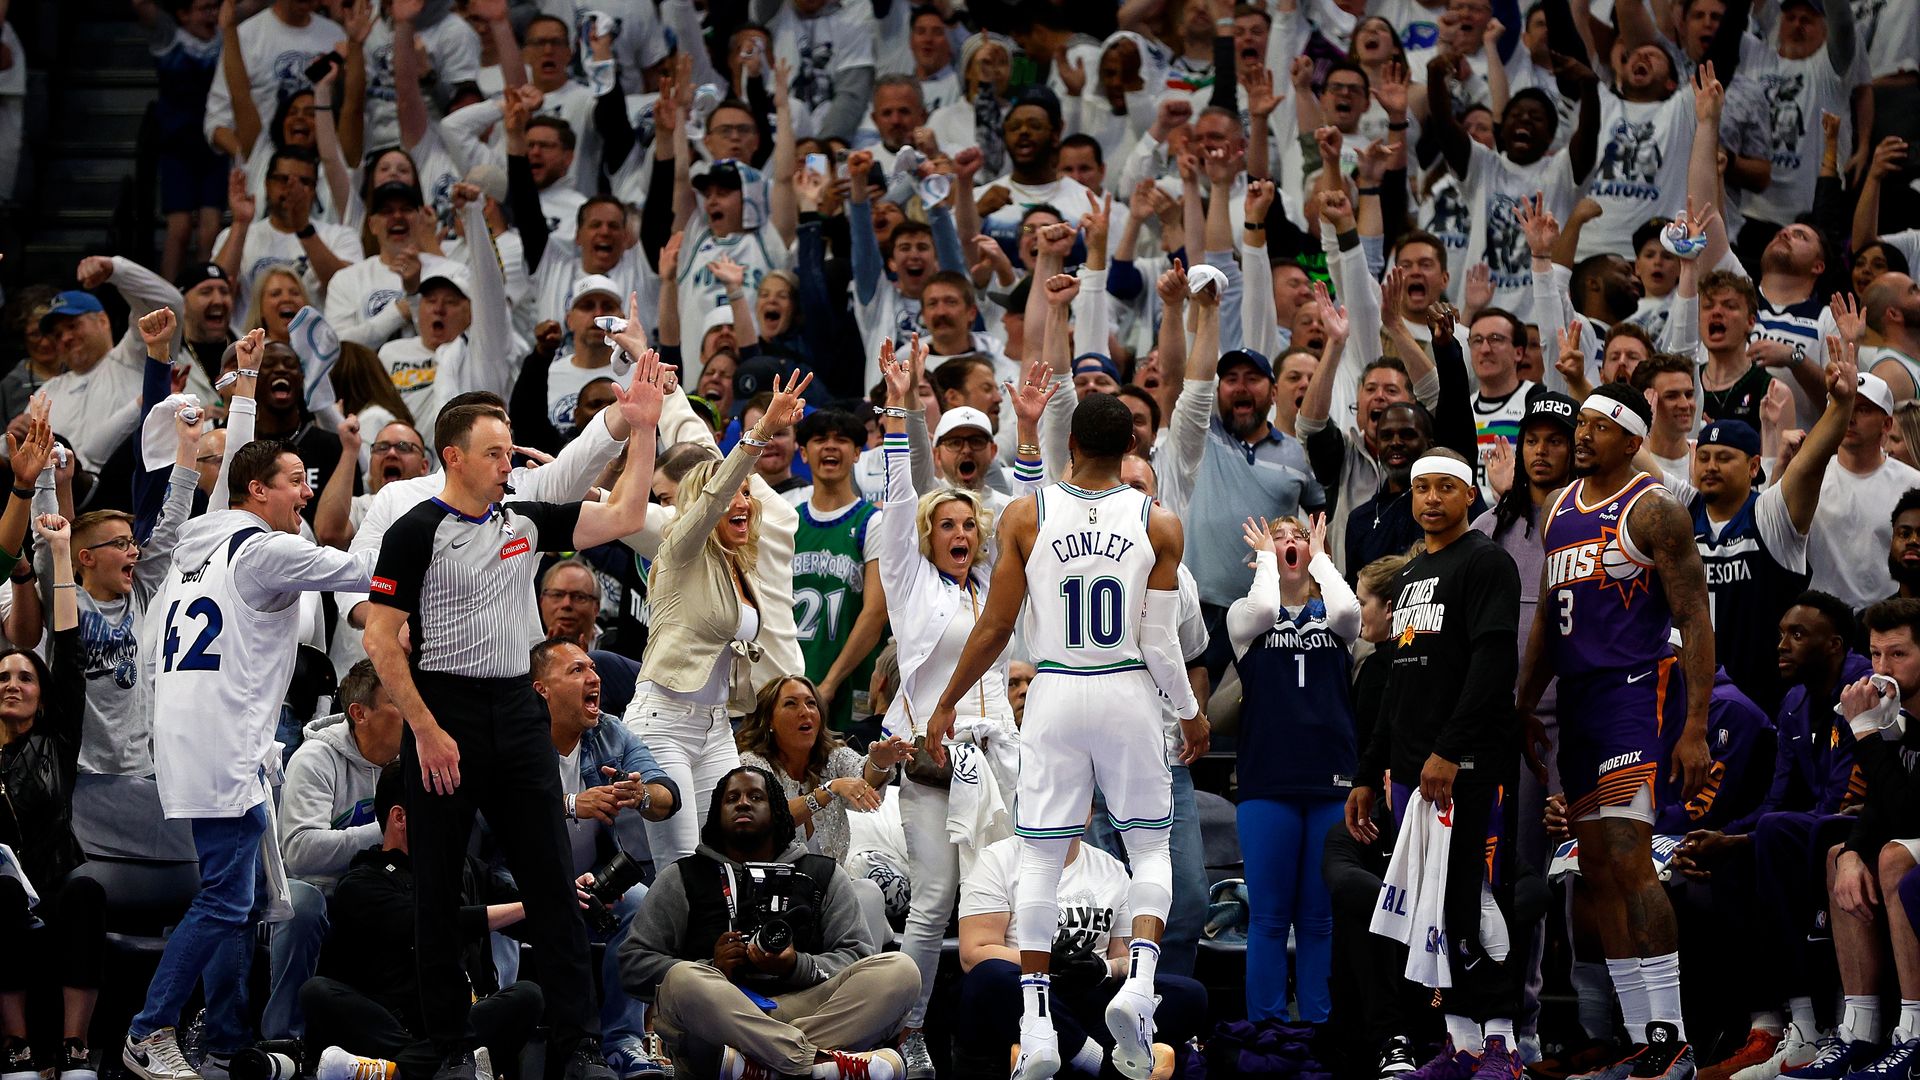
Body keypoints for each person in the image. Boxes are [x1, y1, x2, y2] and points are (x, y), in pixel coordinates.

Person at [361, 352, 665, 1080]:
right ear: (454, 456)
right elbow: (379, 638)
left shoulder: (524, 517)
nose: (509, 464)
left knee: (553, 882)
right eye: (495, 453)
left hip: (518, 708)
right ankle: (446, 1045)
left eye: (509, 451)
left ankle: (577, 1045)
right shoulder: (414, 529)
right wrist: (426, 730)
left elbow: (626, 515)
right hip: (444, 712)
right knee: (438, 887)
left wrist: (644, 429)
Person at [924, 387, 1201, 1080]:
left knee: (1042, 859)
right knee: (1149, 847)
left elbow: (995, 626)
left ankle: (1038, 1024)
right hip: (1127, 688)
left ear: (1070, 444)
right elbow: (1162, 643)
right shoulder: (1160, 522)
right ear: (1131, 446)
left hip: (1053, 689)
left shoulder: (1026, 513)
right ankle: (1138, 988)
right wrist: (1190, 710)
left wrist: (946, 701)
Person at [124, 425, 387, 1080]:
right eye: (295, 481)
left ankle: (225, 1040)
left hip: (195, 738)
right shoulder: (264, 551)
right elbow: (365, 571)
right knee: (224, 899)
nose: (306, 492)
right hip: (224, 745)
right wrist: (429, 521)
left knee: (244, 903)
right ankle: (149, 1031)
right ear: (256, 490)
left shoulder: (200, 547)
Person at [1517, 383, 1715, 1080]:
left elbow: (1693, 616)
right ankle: (1638, 1037)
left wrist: (1696, 724)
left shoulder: (1655, 509)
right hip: (1577, 700)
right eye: (1581, 424)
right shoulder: (1557, 508)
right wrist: (1523, 702)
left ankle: (1673, 1038)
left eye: (1598, 426)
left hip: (1634, 692)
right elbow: (1547, 618)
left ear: (1632, 440)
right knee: (1594, 870)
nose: (1581, 435)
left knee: (1632, 860)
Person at [871, 336, 1026, 1077]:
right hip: (932, 765)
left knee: (1002, 906)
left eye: (969, 525)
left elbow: (1031, 517)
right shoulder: (909, 584)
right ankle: (907, 1034)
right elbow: (901, 498)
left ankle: (1004, 1040)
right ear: (927, 536)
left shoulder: (988, 588)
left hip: (996, 765)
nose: (960, 533)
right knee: (933, 901)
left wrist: (1031, 432)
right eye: (947, 525)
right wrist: (902, 408)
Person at [1346, 446, 1526, 1080]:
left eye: (1446, 487)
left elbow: (1493, 665)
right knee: (1435, 906)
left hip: (1466, 764)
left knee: (1479, 898)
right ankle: (1463, 1042)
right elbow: (1399, 680)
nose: (1431, 499)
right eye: (1422, 489)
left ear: (1469, 495)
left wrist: (1450, 750)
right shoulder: (1411, 575)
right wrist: (1369, 771)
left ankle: (1504, 1043)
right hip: (1412, 773)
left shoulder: (1487, 562)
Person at [618, 367, 810, 865]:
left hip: (716, 723)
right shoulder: (680, 549)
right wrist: (762, 430)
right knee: (683, 865)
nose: (742, 502)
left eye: (748, 494)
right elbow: (713, 494)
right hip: (663, 719)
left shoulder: (740, 564)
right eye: (733, 495)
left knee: (733, 854)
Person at [615, 765, 918, 1079]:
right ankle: (814, 1063)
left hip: (808, 1008)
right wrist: (713, 966)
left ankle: (762, 1066)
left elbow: (856, 956)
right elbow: (634, 964)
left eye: (755, 797)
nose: (743, 803)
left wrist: (796, 965)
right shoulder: (682, 876)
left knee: (900, 970)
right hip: (720, 1014)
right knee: (682, 979)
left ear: (777, 811)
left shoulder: (824, 874)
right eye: (732, 798)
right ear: (717, 813)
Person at [299, 766, 545, 1080]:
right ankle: (446, 1062)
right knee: (316, 992)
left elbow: (529, 918)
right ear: (400, 817)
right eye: (443, 810)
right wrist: (533, 905)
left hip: (465, 1017)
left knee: (528, 995)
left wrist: (569, 898)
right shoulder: (361, 883)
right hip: (394, 1023)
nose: (455, 822)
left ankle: (396, 1072)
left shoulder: (467, 868)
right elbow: (433, 927)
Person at [1227, 513, 1359, 1027]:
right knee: (1268, 917)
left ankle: (1318, 1029)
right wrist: (1267, 561)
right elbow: (1264, 608)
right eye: (1276, 537)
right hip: (1268, 783)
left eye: (1298, 537)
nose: (1288, 543)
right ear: (1261, 555)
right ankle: (1267, 1032)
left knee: (1319, 919)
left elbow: (1348, 610)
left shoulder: (1336, 616)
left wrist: (1322, 559)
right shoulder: (1244, 615)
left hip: (1330, 780)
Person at [532, 638, 679, 1080]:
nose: (593, 677)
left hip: (595, 880)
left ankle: (621, 1042)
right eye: (576, 670)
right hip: (520, 882)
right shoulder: (516, 734)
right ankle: (496, 1032)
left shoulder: (610, 732)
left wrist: (642, 794)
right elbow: (494, 810)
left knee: (644, 905)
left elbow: (666, 794)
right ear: (542, 689)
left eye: (592, 669)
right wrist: (571, 804)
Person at [954, 828, 1207, 1079]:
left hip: (1090, 992)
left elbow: (1126, 960)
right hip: (1027, 992)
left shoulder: (1112, 869)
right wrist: (1044, 962)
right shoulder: (997, 859)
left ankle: (1058, 1059)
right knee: (988, 977)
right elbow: (974, 953)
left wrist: (1103, 969)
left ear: (1090, 813)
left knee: (1189, 994)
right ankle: (1101, 1064)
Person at [272, 660, 405, 1042]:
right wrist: (384, 831)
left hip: (381, 890)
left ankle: (407, 1037)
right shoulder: (314, 759)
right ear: (360, 713)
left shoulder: (412, 760)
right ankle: (284, 1039)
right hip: (321, 888)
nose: (413, 710)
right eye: (398, 701)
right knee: (302, 905)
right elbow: (299, 852)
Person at [788, 409, 891, 742]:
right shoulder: (787, 522)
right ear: (804, 452)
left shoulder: (872, 523)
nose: (830, 447)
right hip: (791, 680)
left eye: (842, 440)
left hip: (848, 686)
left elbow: (875, 613)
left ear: (858, 453)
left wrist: (829, 685)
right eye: (820, 440)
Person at [735, 674, 912, 865]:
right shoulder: (752, 764)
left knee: (869, 884)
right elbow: (766, 821)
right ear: (769, 720)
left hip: (831, 880)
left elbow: (862, 782)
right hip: (772, 881)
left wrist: (879, 763)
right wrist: (829, 790)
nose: (805, 712)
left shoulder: (833, 756)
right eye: (791, 704)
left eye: (811, 703)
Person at [1807, 371, 1920, 612]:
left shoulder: (1913, 483)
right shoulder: (1809, 478)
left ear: (1887, 424)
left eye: (1863, 410)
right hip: (1821, 619)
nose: (1850, 418)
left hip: (1888, 617)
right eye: (1843, 407)